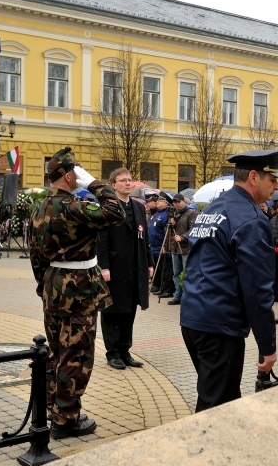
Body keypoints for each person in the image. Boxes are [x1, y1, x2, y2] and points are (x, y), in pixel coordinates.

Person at [28, 146, 125, 439]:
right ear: (70, 176)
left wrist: (44, 285)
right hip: (79, 289)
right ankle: (67, 418)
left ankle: (50, 408)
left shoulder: (39, 208)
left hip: (53, 285)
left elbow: (35, 256)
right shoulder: (74, 207)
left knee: (55, 353)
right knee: (77, 356)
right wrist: (94, 183)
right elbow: (115, 211)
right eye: (77, 172)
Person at [180, 149, 278, 412]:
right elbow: (257, 290)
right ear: (253, 177)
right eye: (272, 179)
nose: (277, 185)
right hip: (220, 326)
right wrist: (268, 346)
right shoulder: (250, 219)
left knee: (216, 395)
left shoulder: (214, 207)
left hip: (194, 317)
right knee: (217, 409)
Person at [98, 168, 154, 370]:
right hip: (115, 267)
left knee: (129, 311)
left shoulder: (139, 207)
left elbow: (144, 238)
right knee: (113, 311)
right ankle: (112, 353)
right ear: (113, 185)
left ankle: (125, 350)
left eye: (130, 180)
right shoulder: (108, 207)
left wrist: (149, 263)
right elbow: (101, 239)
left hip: (135, 267)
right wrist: (103, 266)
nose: (128, 183)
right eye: (123, 180)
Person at [167, 193, 198, 306]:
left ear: (183, 201)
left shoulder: (191, 213)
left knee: (186, 273)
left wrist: (182, 237)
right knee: (176, 274)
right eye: (174, 202)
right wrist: (172, 224)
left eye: (178, 202)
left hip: (186, 248)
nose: (176, 204)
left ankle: (187, 296)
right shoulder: (174, 213)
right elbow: (169, 231)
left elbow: (193, 230)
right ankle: (178, 296)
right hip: (175, 248)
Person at [149, 195, 174, 297]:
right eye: (157, 200)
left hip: (162, 246)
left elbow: (168, 233)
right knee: (158, 268)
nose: (157, 202)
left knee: (165, 269)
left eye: (160, 201)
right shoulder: (156, 214)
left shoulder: (166, 215)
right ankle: (159, 285)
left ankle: (166, 289)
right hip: (153, 246)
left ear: (166, 203)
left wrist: (166, 246)